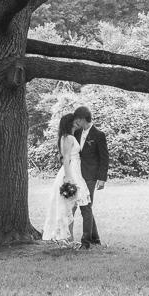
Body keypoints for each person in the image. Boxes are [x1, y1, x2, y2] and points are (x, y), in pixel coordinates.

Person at [41, 113, 90, 245]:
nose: (78, 122)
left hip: (76, 169)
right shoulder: (67, 138)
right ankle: (68, 237)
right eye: (75, 120)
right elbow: (66, 158)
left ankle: (68, 237)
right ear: (70, 122)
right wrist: (68, 177)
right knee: (69, 205)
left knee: (72, 205)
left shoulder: (70, 137)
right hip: (71, 170)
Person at [72, 105, 109, 248]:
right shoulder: (77, 133)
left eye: (77, 119)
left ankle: (86, 242)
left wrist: (102, 179)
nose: (76, 122)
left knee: (86, 207)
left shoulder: (99, 135)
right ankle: (96, 239)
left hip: (91, 176)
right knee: (86, 207)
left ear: (83, 119)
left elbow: (104, 158)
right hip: (77, 174)